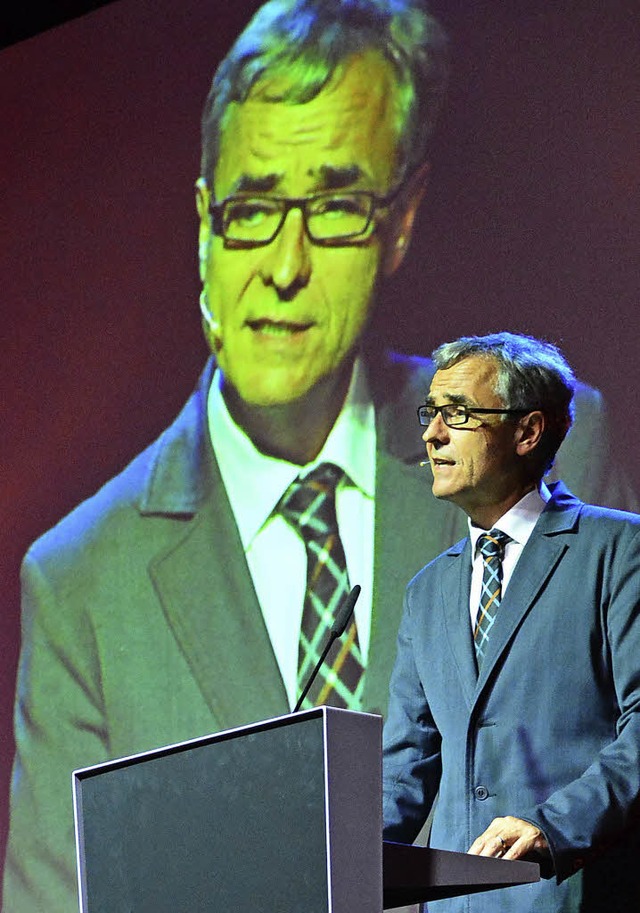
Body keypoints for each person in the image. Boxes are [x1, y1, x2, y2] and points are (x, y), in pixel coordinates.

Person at [3, 2, 636, 911]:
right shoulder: (80, 582)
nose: (286, 266)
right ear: (203, 225)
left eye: (337, 206)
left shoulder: (546, 445)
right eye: (254, 207)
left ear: (402, 221)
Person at [382, 331, 640, 912]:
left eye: (457, 414)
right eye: (430, 413)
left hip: (572, 891)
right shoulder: (427, 591)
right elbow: (404, 766)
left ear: (527, 431)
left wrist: (554, 829)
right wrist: (336, 862)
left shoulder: (620, 550)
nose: (431, 434)